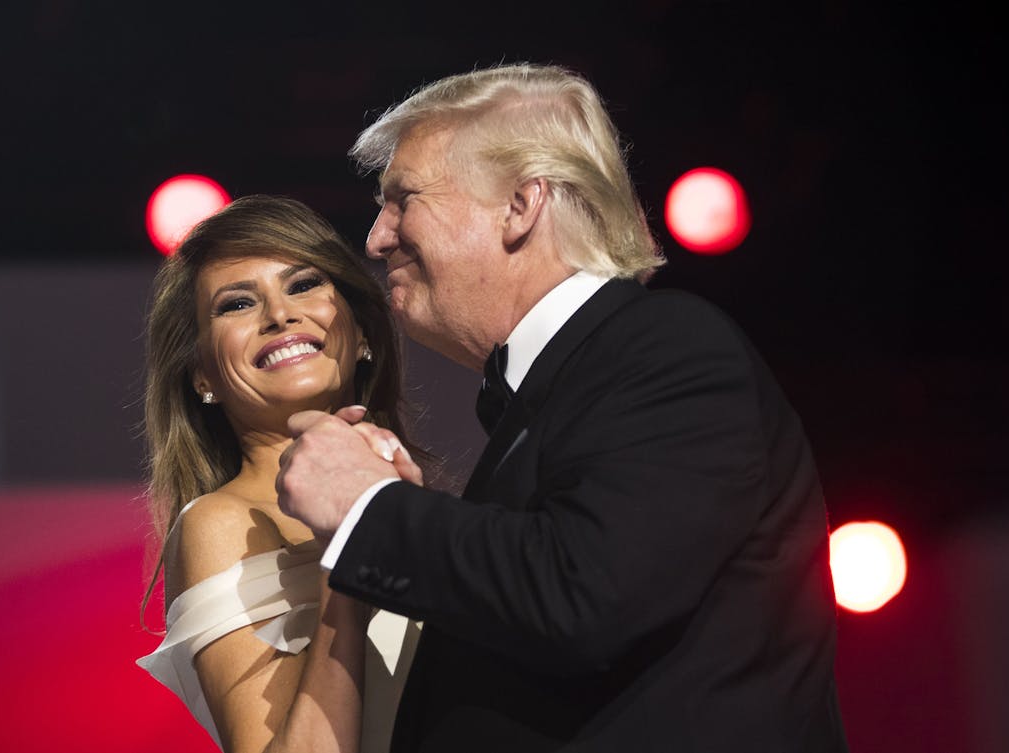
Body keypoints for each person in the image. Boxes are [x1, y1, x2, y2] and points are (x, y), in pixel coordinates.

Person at [276, 64, 849, 752]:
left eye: (403, 199)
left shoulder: (670, 348)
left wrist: (366, 504)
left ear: (521, 205)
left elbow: (584, 592)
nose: (376, 237)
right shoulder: (568, 385)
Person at [136, 195, 425, 753]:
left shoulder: (406, 491)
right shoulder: (220, 524)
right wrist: (346, 559)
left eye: (302, 285)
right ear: (203, 377)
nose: (278, 315)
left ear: (362, 332)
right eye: (237, 304)